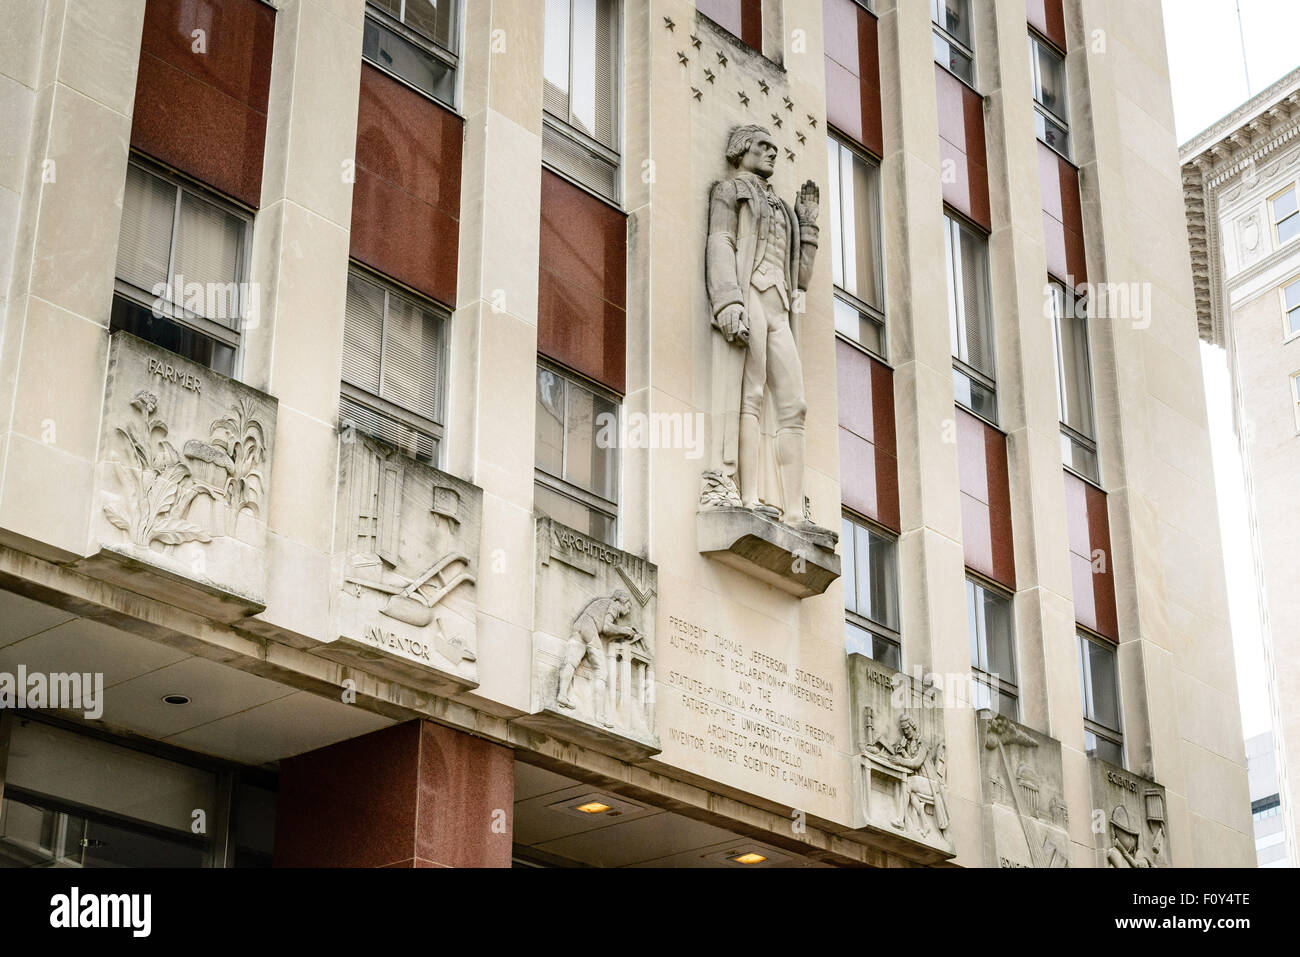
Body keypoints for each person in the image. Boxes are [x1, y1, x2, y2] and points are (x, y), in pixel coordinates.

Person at [703, 124, 837, 547]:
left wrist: (809, 226)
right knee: (752, 395)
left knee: (794, 405)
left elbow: (799, 277)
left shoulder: (782, 207)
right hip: (751, 296)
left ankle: (795, 511)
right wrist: (728, 301)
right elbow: (720, 243)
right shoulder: (730, 191)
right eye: (763, 146)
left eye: (775, 149)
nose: (772, 154)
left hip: (780, 305)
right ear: (741, 150)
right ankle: (748, 495)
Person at [556, 590, 641, 728]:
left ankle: (562, 695)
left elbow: (604, 629)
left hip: (580, 625)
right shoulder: (613, 605)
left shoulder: (602, 603)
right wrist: (625, 630)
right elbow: (606, 627)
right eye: (628, 606)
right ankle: (599, 716)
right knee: (601, 672)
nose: (628, 610)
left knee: (571, 662)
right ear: (621, 602)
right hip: (590, 627)